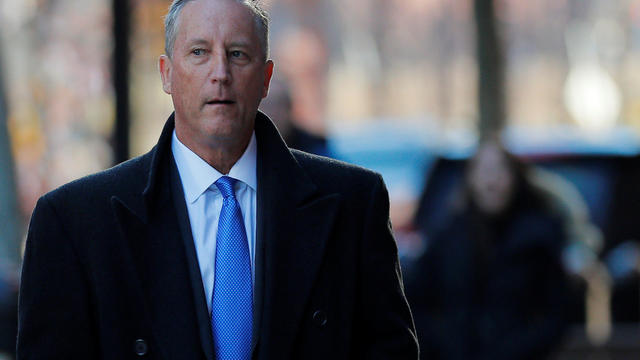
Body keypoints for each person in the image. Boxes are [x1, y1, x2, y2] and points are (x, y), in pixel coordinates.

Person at [16, 0, 419, 359]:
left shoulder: (354, 203)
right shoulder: (74, 222)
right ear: (167, 74)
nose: (220, 73)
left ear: (265, 77)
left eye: (238, 54)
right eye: (199, 53)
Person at [406, 139, 568, 360]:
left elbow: (555, 314)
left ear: (515, 178)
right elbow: (416, 302)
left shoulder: (539, 239)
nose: (491, 181)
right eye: (483, 170)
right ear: (470, 178)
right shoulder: (447, 237)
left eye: (500, 170)